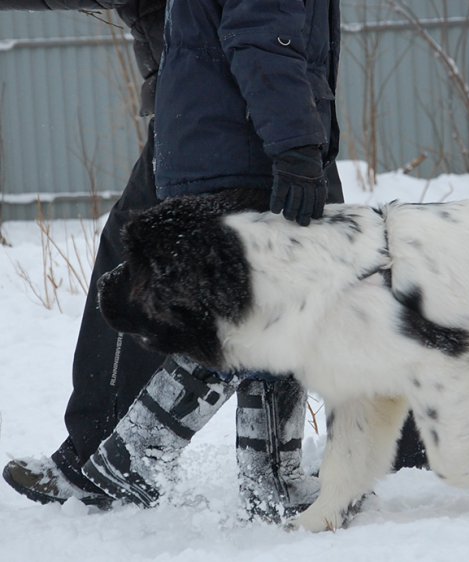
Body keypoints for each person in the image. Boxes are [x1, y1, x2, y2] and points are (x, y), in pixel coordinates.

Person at [2, 0, 426, 521]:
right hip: (244, 130)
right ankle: (132, 459)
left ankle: (176, 466)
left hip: (222, 121)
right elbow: (262, 33)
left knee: (302, 291)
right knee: (289, 297)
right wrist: (296, 144)